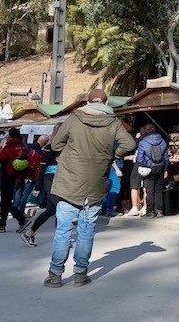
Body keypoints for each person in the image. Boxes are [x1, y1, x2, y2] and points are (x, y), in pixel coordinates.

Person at [44, 88, 136, 288]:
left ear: (87, 101)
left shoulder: (74, 119)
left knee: (63, 230)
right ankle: (80, 274)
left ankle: (55, 275)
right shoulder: (113, 123)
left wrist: (69, 155)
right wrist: (113, 155)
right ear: (105, 102)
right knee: (86, 230)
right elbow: (129, 144)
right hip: (95, 184)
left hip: (69, 182)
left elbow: (55, 144)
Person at [0, 130, 31, 234]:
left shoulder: (9, 147)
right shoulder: (23, 147)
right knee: (6, 201)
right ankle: (2, 224)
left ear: (10, 136)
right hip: (19, 176)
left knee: (6, 201)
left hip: (7, 175)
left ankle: (21, 219)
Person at [21, 134, 60, 247]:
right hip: (50, 179)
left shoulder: (67, 147)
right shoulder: (50, 148)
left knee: (51, 210)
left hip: (61, 179)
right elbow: (42, 168)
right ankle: (61, 238)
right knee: (60, 206)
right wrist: (37, 187)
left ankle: (30, 233)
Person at [136, 123, 169, 219]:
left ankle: (150, 212)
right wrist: (166, 169)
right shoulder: (162, 141)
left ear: (146, 131)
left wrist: (140, 165)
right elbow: (166, 157)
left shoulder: (143, 142)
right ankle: (159, 211)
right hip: (160, 167)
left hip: (148, 167)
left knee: (149, 191)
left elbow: (140, 157)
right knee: (158, 190)